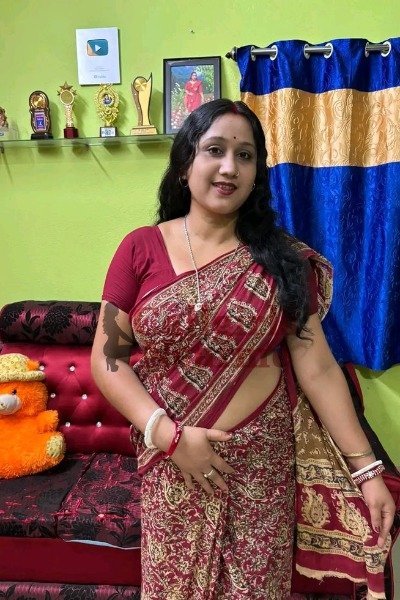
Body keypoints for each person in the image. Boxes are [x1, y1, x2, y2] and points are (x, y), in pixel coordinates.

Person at [91, 99, 396, 599]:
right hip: (173, 462)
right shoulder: (140, 248)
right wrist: (168, 436)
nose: (230, 167)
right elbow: (108, 358)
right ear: (185, 162)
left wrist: (367, 471)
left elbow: (318, 369)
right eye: (214, 150)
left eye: (245, 155)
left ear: (257, 173)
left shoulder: (283, 260)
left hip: (261, 467)